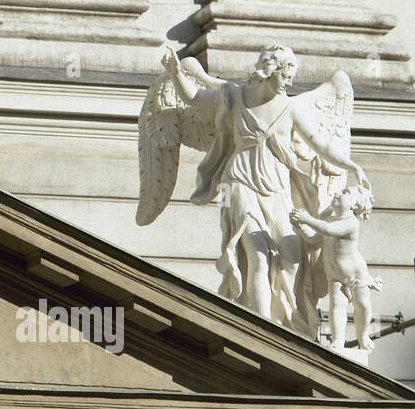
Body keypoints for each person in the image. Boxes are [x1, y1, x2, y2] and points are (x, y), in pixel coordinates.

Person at [162, 45, 370, 325]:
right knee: (257, 255)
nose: (290, 82)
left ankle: (285, 323)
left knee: (292, 257)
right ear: (268, 71)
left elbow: (320, 144)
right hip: (241, 184)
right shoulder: (234, 97)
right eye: (285, 75)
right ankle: (261, 328)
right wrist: (176, 72)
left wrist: (352, 166)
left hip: (277, 189)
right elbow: (195, 97)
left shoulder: (292, 107)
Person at [290, 187, 381, 351]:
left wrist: (306, 218)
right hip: (334, 275)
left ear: (355, 204)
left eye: (346, 192)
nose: (338, 193)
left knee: (363, 306)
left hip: (356, 274)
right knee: (337, 305)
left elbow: (327, 230)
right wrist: (300, 225)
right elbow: (313, 240)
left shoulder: (351, 222)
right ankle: (338, 340)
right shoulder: (330, 220)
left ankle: (363, 336)